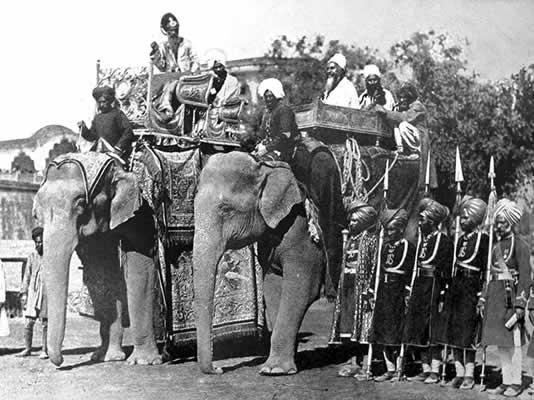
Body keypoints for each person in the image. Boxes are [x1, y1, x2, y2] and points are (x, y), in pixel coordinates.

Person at [480, 199, 531, 397]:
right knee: (502, 342)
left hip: (511, 298)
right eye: (497, 222)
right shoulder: (496, 246)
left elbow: (526, 276)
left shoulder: (521, 245)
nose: (498, 225)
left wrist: (520, 304)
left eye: (502, 222)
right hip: (496, 297)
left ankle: (517, 382)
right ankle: (506, 380)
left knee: (514, 343)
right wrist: (484, 298)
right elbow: (490, 274)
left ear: (510, 222)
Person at [440, 196, 488, 390]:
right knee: (454, 329)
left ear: (476, 219)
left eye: (467, 218)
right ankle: (459, 371)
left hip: (471, 287)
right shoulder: (460, 239)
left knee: (468, 331)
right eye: (462, 217)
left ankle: (469, 373)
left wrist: (482, 295)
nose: (463, 221)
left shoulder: (484, 240)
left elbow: (486, 270)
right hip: (456, 286)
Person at [403, 198, 453, 384]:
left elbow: (447, 268)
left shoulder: (444, 241)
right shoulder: (422, 241)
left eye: (423, 219)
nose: (420, 222)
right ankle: (424, 368)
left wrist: (443, 291)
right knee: (419, 327)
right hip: (420, 285)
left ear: (432, 221)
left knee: (433, 328)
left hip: (434, 285)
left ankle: (435, 369)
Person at [368, 209, 416, 382]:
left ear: (401, 230)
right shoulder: (385, 247)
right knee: (383, 330)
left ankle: (399, 367)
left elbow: (411, 272)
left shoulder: (408, 248)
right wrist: (373, 291)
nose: (389, 233)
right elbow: (378, 271)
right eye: (387, 230)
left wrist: (409, 292)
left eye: (392, 230)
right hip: (384, 292)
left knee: (396, 330)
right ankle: (389, 368)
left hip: (398, 292)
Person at [333, 200, 378, 378]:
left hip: (363, 289)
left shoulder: (370, 240)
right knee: (348, 325)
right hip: (348, 286)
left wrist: (370, 288)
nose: (350, 224)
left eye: (353, 221)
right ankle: (353, 360)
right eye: (350, 221)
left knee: (364, 324)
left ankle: (366, 362)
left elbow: (374, 266)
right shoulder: (351, 240)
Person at [376, 83, 437, 189]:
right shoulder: (405, 106)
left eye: (404, 97)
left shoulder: (418, 106)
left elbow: (405, 117)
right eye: (400, 97)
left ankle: (415, 151)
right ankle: (401, 149)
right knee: (397, 124)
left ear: (410, 97)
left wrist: (385, 112)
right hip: (413, 136)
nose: (402, 99)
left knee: (403, 125)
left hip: (420, 140)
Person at [77, 86, 135, 164]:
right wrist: (83, 128)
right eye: (99, 102)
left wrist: (118, 148)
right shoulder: (97, 117)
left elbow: (128, 132)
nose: (101, 104)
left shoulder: (117, 114)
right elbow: (92, 136)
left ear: (109, 101)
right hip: (99, 153)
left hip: (116, 153)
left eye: (104, 101)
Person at [16, 227, 48, 358]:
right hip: (33, 292)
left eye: (41, 242)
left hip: (46, 292)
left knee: (45, 322)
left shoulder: (51, 256)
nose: (38, 244)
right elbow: (26, 276)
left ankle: (45, 350)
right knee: (28, 321)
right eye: (36, 242)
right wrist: (23, 293)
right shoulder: (32, 256)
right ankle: (27, 348)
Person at [254, 78, 300, 163]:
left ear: (276, 96)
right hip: (268, 148)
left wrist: (266, 149)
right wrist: (258, 145)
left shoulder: (284, 110)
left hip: (285, 150)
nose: (268, 99)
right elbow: (262, 133)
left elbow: (285, 134)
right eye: (266, 97)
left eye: (270, 96)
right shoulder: (267, 112)